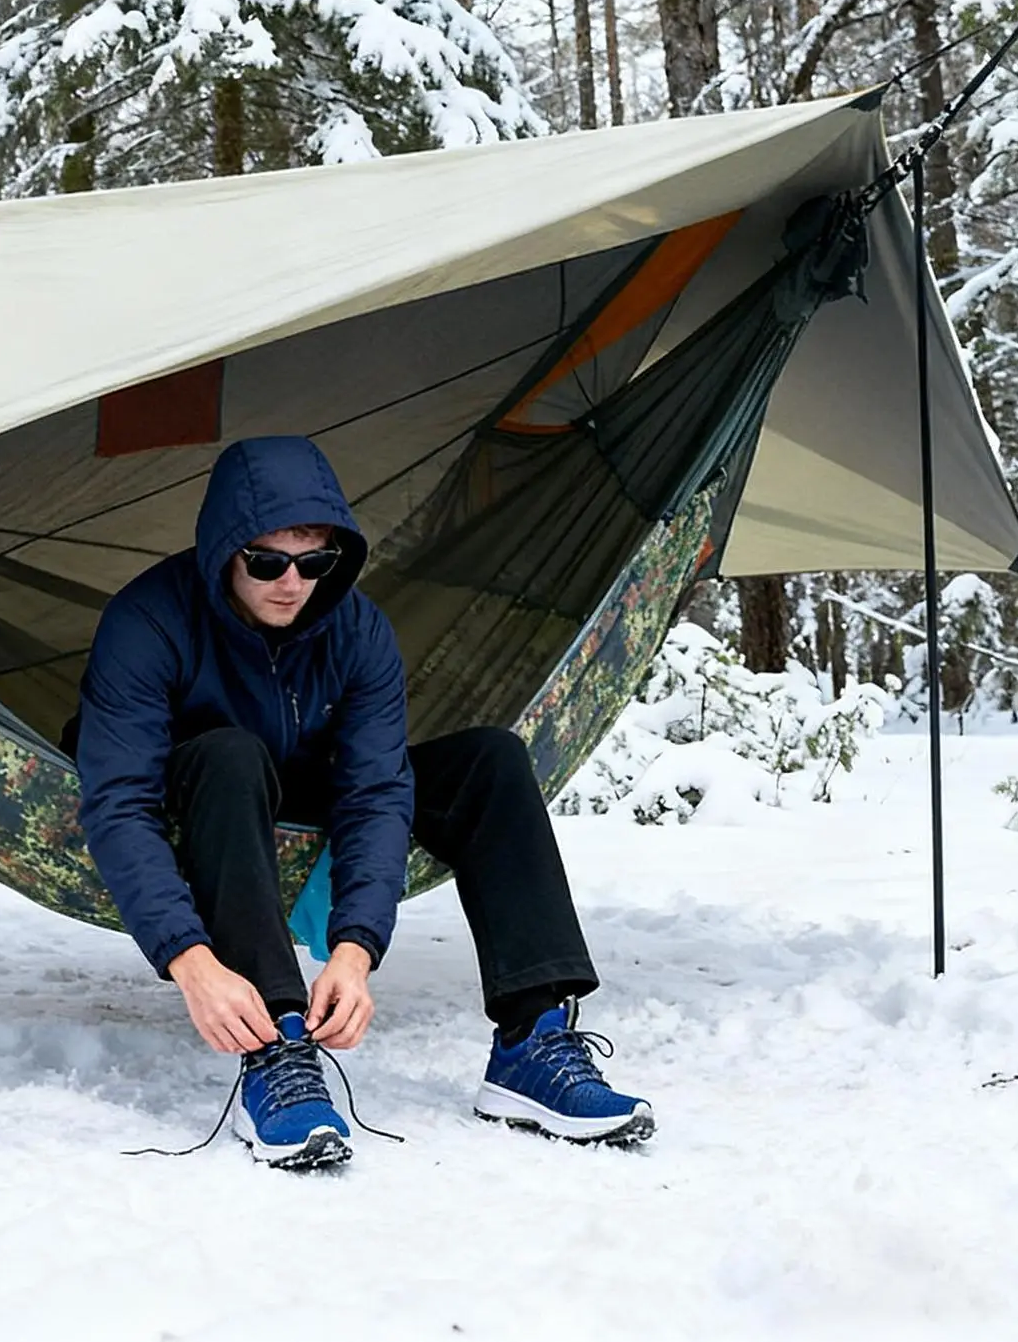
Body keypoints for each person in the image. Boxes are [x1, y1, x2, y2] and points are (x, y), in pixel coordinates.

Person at [75, 435, 652, 1168]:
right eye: (266, 561)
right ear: (224, 549)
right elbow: (118, 800)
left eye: (313, 562)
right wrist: (190, 961)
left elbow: (376, 790)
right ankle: (277, 1046)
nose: (292, 582)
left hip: (308, 780)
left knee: (490, 760)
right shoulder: (147, 620)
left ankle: (530, 1041)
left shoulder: (358, 628)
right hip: (197, 791)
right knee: (230, 750)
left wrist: (356, 948)